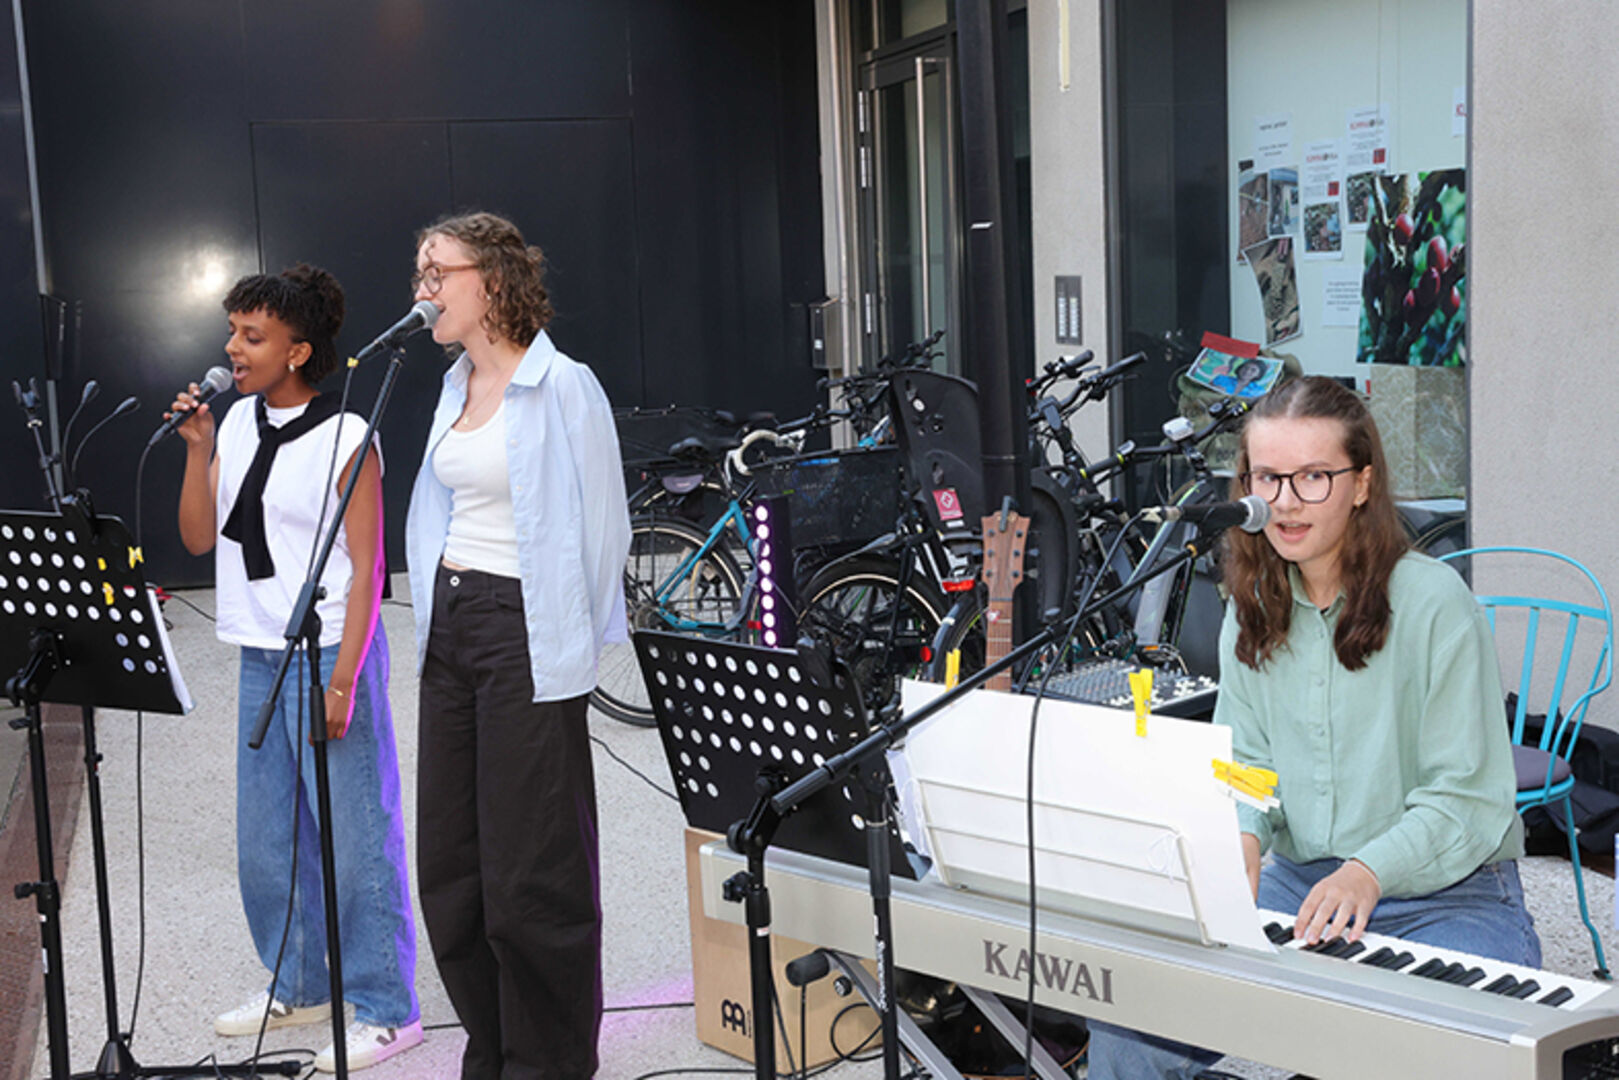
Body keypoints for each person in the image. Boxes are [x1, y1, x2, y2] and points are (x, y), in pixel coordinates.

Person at [1086, 376, 1537, 1079]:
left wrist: (1366, 873)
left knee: (1413, 1051)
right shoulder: (1251, 604)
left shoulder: (1435, 604)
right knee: (1130, 1028)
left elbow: (1465, 797)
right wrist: (1242, 831)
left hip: (1444, 898)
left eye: (1313, 477)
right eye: (1268, 477)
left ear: (1361, 484)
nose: (1286, 500)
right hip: (1294, 886)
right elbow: (1246, 761)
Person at [172, 264, 421, 1071]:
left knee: (354, 837)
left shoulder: (349, 437)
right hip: (256, 653)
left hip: (325, 655)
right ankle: (304, 980)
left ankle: (388, 1006)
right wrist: (199, 449)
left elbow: (369, 568)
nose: (232, 348)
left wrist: (345, 677)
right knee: (268, 843)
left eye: (253, 336)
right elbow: (199, 540)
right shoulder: (237, 421)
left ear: (299, 349)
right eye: (233, 332)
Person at [404, 211, 631, 1079]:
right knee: (453, 868)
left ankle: (549, 1063)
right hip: (452, 626)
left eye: (436, 273)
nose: (422, 290)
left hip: (525, 630)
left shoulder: (564, 385)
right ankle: (490, 1051)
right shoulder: (452, 384)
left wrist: (569, 649)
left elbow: (603, 531)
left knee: (530, 875)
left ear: (491, 280)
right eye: (419, 273)